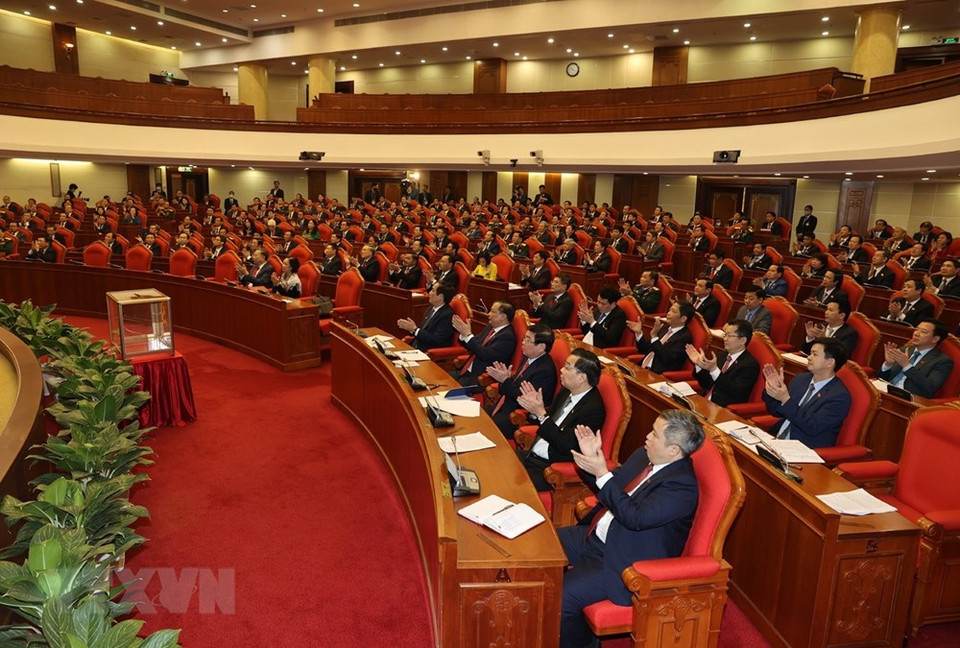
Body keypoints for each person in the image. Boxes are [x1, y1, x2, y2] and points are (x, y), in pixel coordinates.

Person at [558, 409, 704, 648]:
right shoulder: (643, 456)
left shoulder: (682, 487)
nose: (647, 436)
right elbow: (610, 486)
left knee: (562, 598)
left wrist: (602, 472)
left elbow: (635, 517)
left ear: (674, 450)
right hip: (595, 537)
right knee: (540, 548)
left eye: (655, 435)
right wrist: (592, 459)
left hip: (622, 561)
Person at [516, 348, 606, 491]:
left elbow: (566, 444)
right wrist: (534, 411)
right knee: (496, 461)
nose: (562, 370)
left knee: (508, 483)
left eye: (567, 368)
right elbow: (548, 420)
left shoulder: (593, 409)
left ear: (581, 378)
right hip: (532, 454)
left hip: (550, 468)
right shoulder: (567, 391)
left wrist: (541, 414)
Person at [761, 338, 850, 448]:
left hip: (804, 448)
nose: (809, 357)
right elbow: (776, 411)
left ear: (830, 362)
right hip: (777, 438)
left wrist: (785, 399)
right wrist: (773, 389)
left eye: (815, 354)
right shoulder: (801, 379)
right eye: (810, 353)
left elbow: (813, 427)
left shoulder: (839, 396)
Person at [485, 323, 559, 439]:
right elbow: (512, 387)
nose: (523, 342)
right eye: (524, 338)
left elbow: (523, 399)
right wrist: (505, 379)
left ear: (541, 347)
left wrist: (505, 380)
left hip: (519, 416)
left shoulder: (545, 370)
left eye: (528, 340)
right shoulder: (528, 357)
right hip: (506, 405)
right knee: (477, 413)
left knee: (485, 428)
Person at [688, 319, 760, 406]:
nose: (725, 339)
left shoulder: (750, 365)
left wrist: (714, 370)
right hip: (704, 401)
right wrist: (699, 365)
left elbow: (735, 392)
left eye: (729, 336)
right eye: (725, 335)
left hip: (723, 409)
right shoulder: (722, 355)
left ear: (742, 340)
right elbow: (705, 384)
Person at [878, 319, 953, 398]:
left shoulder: (942, 361)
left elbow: (930, 387)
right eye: (917, 329)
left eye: (923, 332)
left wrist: (907, 366)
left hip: (908, 399)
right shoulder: (905, 350)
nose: (916, 333)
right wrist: (888, 365)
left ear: (935, 339)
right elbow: (882, 378)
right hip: (885, 391)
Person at [452, 301, 516, 386]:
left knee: (447, 390)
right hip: (466, 370)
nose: (489, 314)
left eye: (493, 312)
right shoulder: (490, 327)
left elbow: (485, 354)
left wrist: (468, 335)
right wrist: (464, 335)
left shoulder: (507, 337)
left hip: (479, 377)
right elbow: (474, 344)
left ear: (503, 317)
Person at [630, 301, 695, 374]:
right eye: (669, 310)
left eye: (673, 311)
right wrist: (638, 333)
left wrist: (654, 336)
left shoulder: (685, 338)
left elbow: (666, 358)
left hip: (657, 374)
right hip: (641, 368)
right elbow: (644, 350)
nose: (668, 313)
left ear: (683, 318)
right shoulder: (665, 327)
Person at [397, 283, 456, 352]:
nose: (429, 293)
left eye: (433, 291)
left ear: (440, 296)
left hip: (428, 353)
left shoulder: (447, 315)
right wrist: (411, 329)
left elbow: (438, 340)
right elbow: (423, 331)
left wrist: (415, 330)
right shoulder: (430, 308)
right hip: (415, 348)